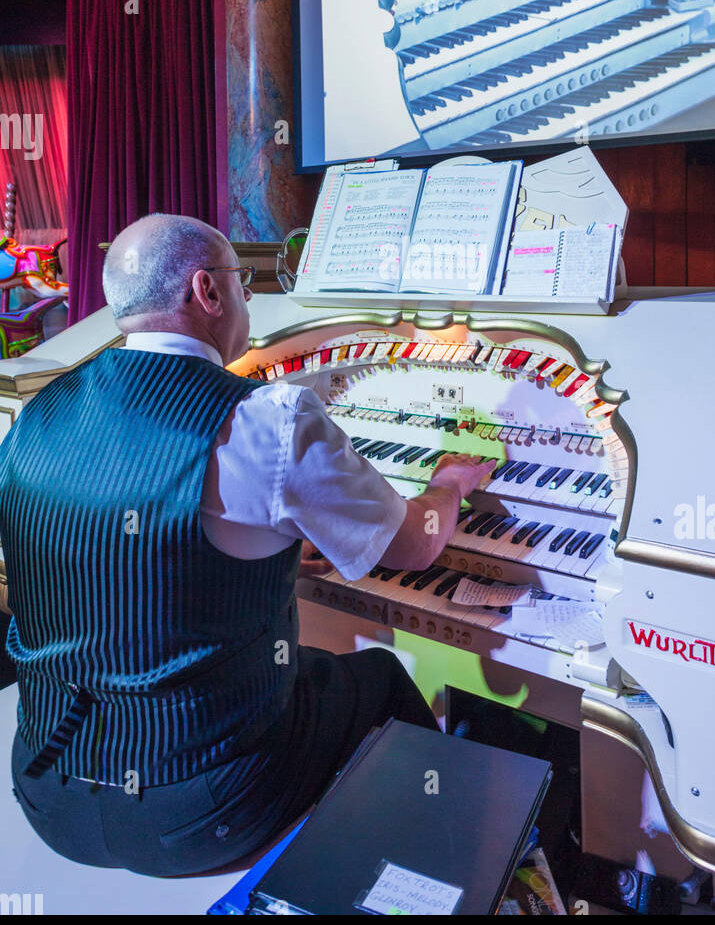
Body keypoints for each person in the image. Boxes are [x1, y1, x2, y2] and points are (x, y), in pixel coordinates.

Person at [2, 213, 492, 876]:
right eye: (244, 281)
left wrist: (267, 551)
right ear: (207, 291)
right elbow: (414, 547)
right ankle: (448, 868)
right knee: (379, 678)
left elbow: (108, 563)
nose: (251, 298)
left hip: (47, 789)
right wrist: (449, 486)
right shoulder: (267, 418)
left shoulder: (39, 411)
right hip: (205, 810)